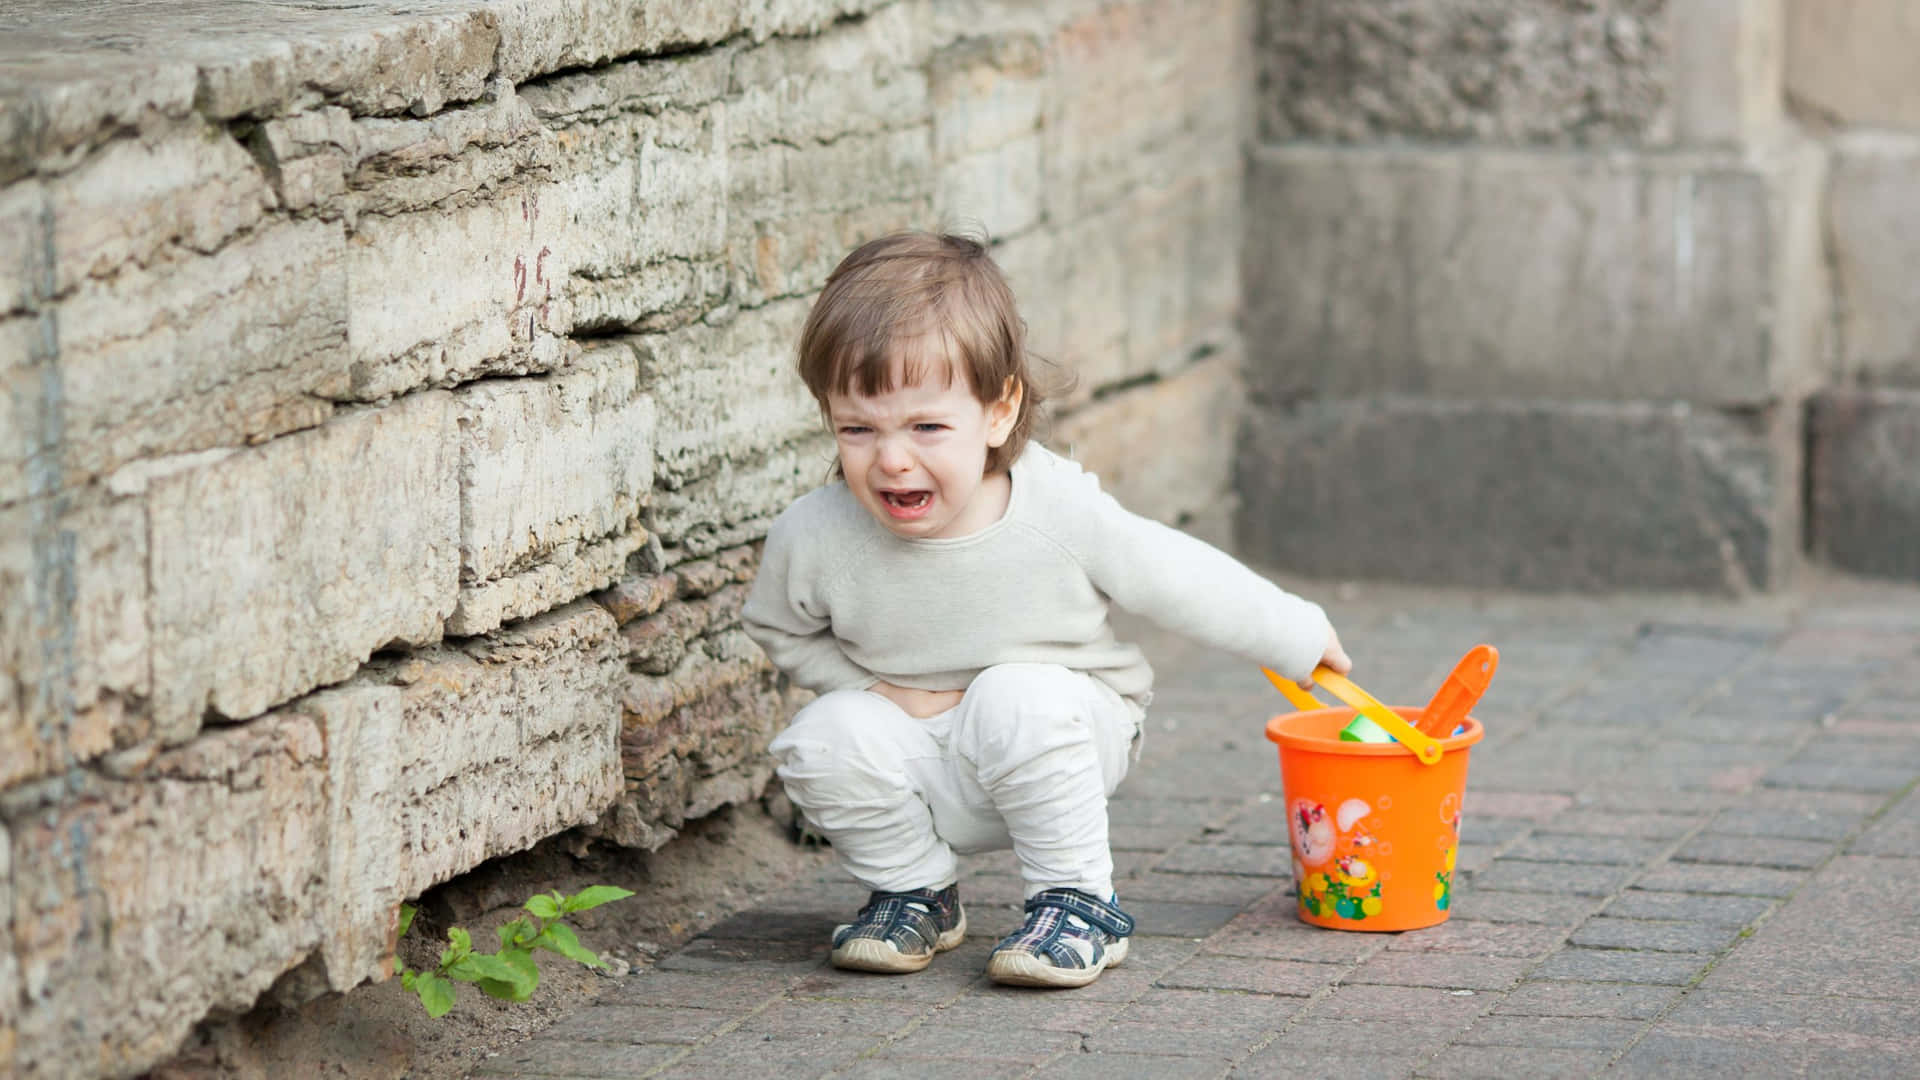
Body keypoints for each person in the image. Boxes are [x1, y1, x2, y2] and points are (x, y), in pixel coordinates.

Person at [742, 230, 1350, 989]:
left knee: (1015, 693)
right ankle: (914, 892)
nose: (891, 459)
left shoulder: (1054, 508)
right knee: (821, 737)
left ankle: (1078, 900)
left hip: (1064, 732)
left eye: (927, 427)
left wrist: (1295, 633)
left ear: (998, 412)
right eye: (858, 429)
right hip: (921, 745)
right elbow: (778, 626)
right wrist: (872, 689)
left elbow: (1174, 574)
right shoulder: (818, 534)